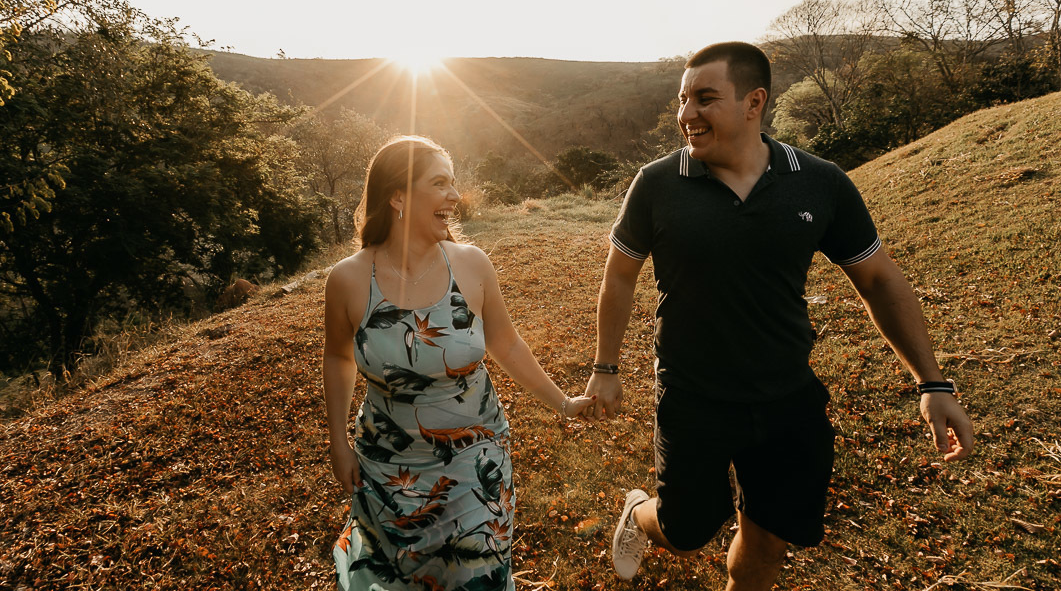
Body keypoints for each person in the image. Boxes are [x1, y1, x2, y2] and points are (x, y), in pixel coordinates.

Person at [583, 42, 974, 589]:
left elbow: (880, 280)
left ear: (754, 102)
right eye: (682, 99)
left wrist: (932, 382)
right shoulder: (657, 183)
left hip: (787, 397)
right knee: (687, 529)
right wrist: (606, 367)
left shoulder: (819, 182)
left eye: (704, 98)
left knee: (768, 541)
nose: (685, 115)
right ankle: (640, 513)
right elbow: (620, 275)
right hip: (693, 395)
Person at [323, 135, 593, 590]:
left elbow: (506, 344)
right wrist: (336, 440)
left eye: (454, 183)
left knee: (477, 574)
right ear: (398, 196)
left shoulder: (471, 265)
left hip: (475, 456)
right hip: (390, 466)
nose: (455, 196)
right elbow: (337, 356)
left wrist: (562, 403)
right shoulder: (348, 279)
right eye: (441, 183)